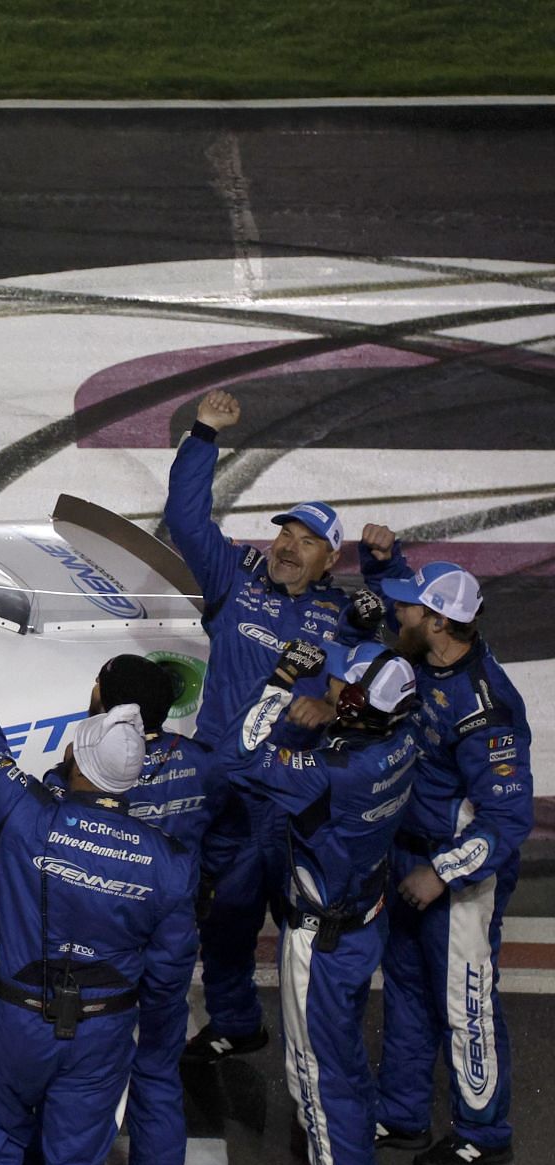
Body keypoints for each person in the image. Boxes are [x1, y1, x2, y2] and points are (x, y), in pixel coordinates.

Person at [0, 609, 196, 1165]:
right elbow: (168, 972)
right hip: (104, 1032)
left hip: (14, 1018)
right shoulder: (168, 863)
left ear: (76, 755)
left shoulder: (25, 812)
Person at [162, 388, 374, 1061]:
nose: (288, 546)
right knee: (212, 911)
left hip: (286, 793)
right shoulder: (238, 579)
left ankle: (317, 1046)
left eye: (307, 542)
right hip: (216, 771)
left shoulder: (343, 618)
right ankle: (232, 1019)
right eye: (285, 532)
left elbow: (380, 699)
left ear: (327, 561)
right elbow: (187, 521)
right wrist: (203, 435)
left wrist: (334, 707)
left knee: (296, 919)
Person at [219, 637, 420, 1165]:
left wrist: (280, 681)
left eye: (341, 685)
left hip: (323, 943)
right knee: (348, 1076)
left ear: (358, 706)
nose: (329, 685)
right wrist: (333, 710)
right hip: (361, 925)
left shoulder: (339, 770)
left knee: (320, 1089)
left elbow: (238, 753)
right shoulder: (399, 737)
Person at [27, 654, 214, 1165]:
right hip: (170, 944)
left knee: (60, 1079)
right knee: (157, 1077)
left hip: (95, 955)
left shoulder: (71, 778)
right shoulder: (201, 765)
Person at [358, 538, 531, 1165]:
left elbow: (509, 817)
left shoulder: (487, 707)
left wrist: (445, 871)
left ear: (438, 623)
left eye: (409, 607)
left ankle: (485, 1132)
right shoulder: (427, 656)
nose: (393, 612)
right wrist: (383, 565)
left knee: (465, 998)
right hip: (410, 853)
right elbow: (394, 597)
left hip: (456, 874)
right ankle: (402, 1111)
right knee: (405, 987)